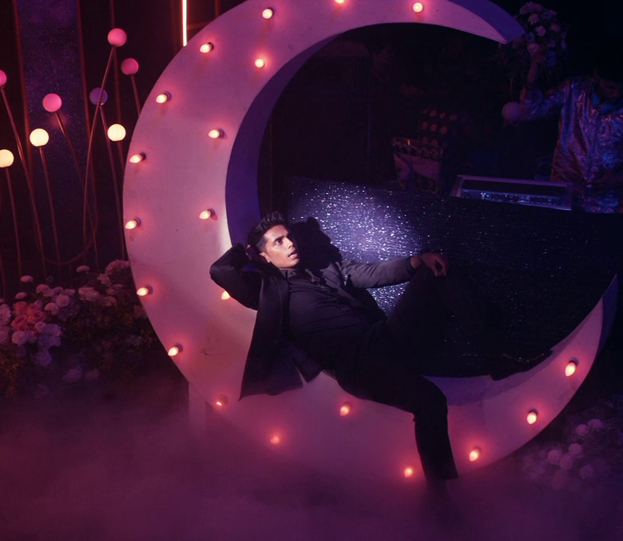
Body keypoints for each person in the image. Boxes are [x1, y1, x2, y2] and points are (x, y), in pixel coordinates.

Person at [209, 213, 519, 500]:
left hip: (385, 338)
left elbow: (370, 273)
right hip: (357, 365)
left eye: (289, 236)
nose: (290, 243)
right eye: (278, 242)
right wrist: (245, 254)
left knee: (433, 272)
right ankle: (440, 501)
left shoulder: (324, 269)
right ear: (264, 255)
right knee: (431, 401)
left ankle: (497, 356)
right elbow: (220, 271)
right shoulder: (266, 289)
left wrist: (416, 261)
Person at [507, 56, 623, 214]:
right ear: (597, 77)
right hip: (566, 190)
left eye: (621, 89)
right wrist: (532, 75)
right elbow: (531, 111)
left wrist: (619, 178)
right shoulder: (574, 90)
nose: (615, 94)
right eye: (609, 87)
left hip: (608, 199)